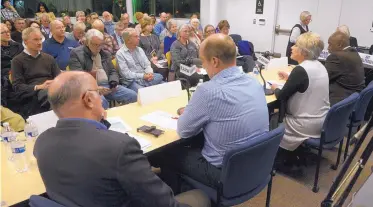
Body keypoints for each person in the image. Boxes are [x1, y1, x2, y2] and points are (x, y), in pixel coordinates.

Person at [34, 71, 210, 207]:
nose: (102, 97)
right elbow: (164, 203)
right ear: (88, 99)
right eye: (99, 92)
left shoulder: (42, 143)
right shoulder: (119, 147)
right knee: (200, 198)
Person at [159, 33, 269, 188]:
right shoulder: (253, 81)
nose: (203, 67)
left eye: (203, 62)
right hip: (254, 165)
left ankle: (181, 197)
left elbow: (183, 131)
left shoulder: (208, 91)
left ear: (215, 61)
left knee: (167, 152)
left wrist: (191, 112)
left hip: (224, 173)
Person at [271, 32, 329, 169]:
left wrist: (274, 88)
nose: (292, 47)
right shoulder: (320, 66)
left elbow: (281, 96)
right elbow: (307, 83)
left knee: (272, 118)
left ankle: (275, 159)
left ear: (304, 51)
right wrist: (289, 78)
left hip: (304, 124)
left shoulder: (301, 70)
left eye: (296, 45)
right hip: (322, 121)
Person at [69, 29, 137, 105]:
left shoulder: (105, 54)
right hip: (90, 88)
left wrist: (113, 82)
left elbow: (112, 71)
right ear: (87, 43)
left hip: (108, 86)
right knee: (102, 103)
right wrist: (95, 88)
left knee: (132, 95)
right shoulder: (76, 53)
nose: (98, 47)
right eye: (95, 44)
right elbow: (78, 77)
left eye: (100, 44)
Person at [11, 27, 61, 117]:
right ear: (25, 42)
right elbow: (17, 86)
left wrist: (55, 82)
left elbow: (59, 77)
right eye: (35, 39)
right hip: (32, 95)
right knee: (52, 95)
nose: (39, 42)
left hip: (51, 89)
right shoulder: (17, 61)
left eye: (40, 39)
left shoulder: (49, 58)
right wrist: (39, 87)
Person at [116, 28, 164, 92]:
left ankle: (146, 85)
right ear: (128, 40)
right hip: (132, 81)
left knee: (161, 79)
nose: (139, 38)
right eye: (136, 36)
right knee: (145, 91)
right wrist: (143, 76)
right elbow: (126, 74)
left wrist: (149, 73)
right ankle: (147, 87)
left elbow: (147, 64)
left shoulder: (139, 50)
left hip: (145, 77)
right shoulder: (120, 54)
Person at [326, 31, 365, 106]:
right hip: (353, 98)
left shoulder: (336, 57)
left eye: (330, 44)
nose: (328, 48)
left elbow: (323, 79)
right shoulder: (353, 52)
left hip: (339, 100)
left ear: (340, 44)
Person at [1, 23, 23, 107]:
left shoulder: (18, 46)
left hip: (20, 73)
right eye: (3, 32)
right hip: (4, 78)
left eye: (8, 31)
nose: (7, 33)